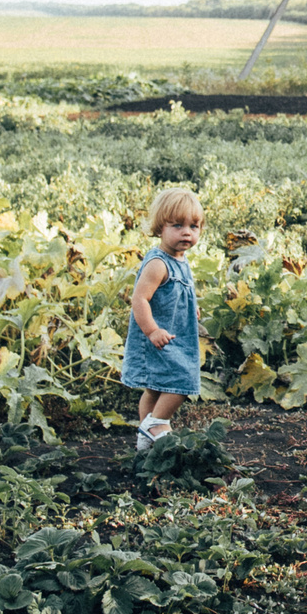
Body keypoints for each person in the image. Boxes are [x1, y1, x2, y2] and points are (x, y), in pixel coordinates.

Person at [124, 187, 204, 450]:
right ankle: (157, 423)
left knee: (155, 388)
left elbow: (178, 292)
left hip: (174, 334)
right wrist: (151, 331)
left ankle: (145, 436)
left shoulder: (180, 259)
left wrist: (191, 307)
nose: (186, 232)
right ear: (160, 228)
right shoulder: (158, 264)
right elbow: (139, 299)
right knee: (183, 380)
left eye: (194, 226)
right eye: (177, 225)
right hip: (158, 336)